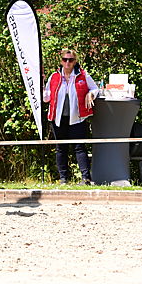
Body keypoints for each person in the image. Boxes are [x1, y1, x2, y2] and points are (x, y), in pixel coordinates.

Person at [43, 49, 99, 185]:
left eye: (70, 60)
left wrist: (90, 94)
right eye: (65, 59)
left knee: (80, 147)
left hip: (78, 117)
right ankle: (63, 179)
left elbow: (95, 88)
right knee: (61, 148)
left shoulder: (83, 75)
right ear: (61, 61)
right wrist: (41, 85)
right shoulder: (54, 76)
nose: (67, 62)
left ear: (75, 62)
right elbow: (46, 98)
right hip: (58, 118)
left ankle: (86, 178)